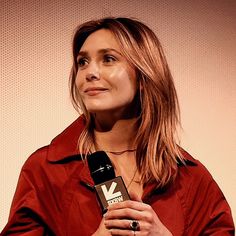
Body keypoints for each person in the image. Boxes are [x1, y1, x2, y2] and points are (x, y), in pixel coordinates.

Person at [1, 17, 234, 236]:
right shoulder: (45, 170)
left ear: (144, 75)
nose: (90, 73)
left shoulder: (190, 177)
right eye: (83, 62)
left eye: (108, 59)